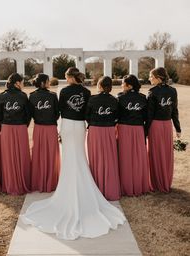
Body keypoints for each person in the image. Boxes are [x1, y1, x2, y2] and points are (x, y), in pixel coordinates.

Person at [20, 67, 125, 240]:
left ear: (69, 77)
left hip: (68, 125)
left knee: (69, 156)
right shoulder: (86, 91)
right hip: (80, 126)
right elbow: (86, 112)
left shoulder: (64, 91)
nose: (65, 78)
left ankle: (67, 187)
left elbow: (60, 110)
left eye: (66, 76)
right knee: (80, 155)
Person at [86, 76, 121, 200]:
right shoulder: (114, 100)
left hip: (95, 130)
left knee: (96, 158)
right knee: (109, 158)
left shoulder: (92, 99)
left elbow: (87, 116)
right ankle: (110, 187)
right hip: (109, 130)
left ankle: (97, 188)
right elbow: (117, 116)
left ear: (99, 85)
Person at [147, 67, 181, 192]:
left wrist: (145, 131)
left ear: (158, 78)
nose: (149, 79)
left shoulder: (152, 92)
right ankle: (165, 181)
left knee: (156, 153)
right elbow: (174, 111)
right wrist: (178, 128)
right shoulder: (173, 91)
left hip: (155, 126)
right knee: (166, 153)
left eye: (151, 76)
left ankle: (157, 183)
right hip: (167, 125)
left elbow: (149, 114)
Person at [117, 74, 151, 196]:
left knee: (125, 157)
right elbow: (146, 116)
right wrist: (145, 131)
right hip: (138, 129)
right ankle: (139, 184)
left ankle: (125, 186)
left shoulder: (120, 97)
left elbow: (117, 115)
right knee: (138, 157)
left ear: (129, 85)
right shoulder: (143, 98)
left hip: (124, 128)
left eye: (122, 83)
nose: (121, 85)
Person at [0, 73, 31, 195]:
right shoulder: (23, 96)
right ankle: (23, 181)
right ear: (17, 83)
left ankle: (10, 182)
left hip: (6, 127)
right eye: (22, 82)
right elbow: (28, 114)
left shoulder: (1, 96)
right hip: (20, 127)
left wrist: (4, 125)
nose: (23, 84)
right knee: (22, 154)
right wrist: (24, 126)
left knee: (8, 155)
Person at [29, 73, 60, 192]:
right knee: (51, 154)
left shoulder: (31, 96)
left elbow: (31, 113)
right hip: (51, 127)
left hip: (38, 128)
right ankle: (51, 181)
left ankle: (39, 181)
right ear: (43, 83)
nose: (49, 83)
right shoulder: (53, 95)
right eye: (47, 81)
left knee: (39, 153)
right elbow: (57, 113)